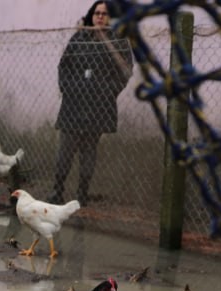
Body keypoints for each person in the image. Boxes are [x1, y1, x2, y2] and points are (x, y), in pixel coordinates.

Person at [52, 0, 134, 204]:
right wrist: (68, 87)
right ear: (92, 15)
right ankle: (57, 191)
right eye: (97, 13)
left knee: (88, 152)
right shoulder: (80, 37)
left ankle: (82, 194)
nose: (100, 17)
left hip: (98, 107)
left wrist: (109, 91)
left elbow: (125, 72)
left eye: (104, 14)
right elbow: (63, 66)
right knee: (65, 152)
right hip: (73, 105)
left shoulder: (118, 40)